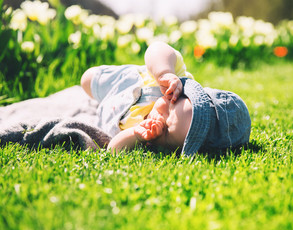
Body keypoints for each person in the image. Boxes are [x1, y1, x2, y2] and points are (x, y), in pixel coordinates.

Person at [81, 41, 251, 156]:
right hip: (124, 84)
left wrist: (136, 135)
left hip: (110, 112)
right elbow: (157, 48)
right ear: (184, 94)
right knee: (87, 79)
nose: (160, 118)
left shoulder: (148, 141)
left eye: (168, 132)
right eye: (171, 104)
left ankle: (97, 105)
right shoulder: (177, 81)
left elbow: (113, 150)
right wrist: (164, 73)